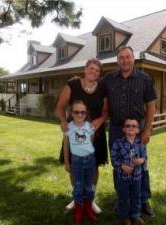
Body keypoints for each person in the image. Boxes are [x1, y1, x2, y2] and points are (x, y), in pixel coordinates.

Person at [102, 46, 157, 217]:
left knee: (141, 164)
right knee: (119, 165)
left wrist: (147, 130)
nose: (125, 60)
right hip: (117, 130)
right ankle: (122, 199)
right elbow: (91, 85)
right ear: (117, 60)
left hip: (137, 130)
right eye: (121, 57)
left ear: (133, 58)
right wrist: (76, 80)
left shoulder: (144, 78)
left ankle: (143, 200)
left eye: (128, 57)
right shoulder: (108, 79)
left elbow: (151, 105)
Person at [56, 58, 108, 213]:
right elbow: (60, 107)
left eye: (97, 70)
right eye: (91, 68)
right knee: (74, 166)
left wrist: (100, 119)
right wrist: (63, 121)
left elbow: (106, 111)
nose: (94, 72)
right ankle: (77, 198)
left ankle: (90, 199)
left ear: (99, 74)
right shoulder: (72, 85)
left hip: (95, 133)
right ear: (85, 69)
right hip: (75, 133)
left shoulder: (102, 88)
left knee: (94, 167)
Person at [63, 100, 97, 225]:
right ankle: (78, 210)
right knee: (78, 187)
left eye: (82, 112)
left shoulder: (89, 126)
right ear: (71, 113)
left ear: (86, 113)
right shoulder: (68, 127)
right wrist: (67, 163)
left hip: (90, 160)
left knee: (89, 186)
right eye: (76, 112)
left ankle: (88, 208)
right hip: (76, 161)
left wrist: (88, 154)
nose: (80, 115)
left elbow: (91, 141)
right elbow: (66, 147)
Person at [111, 117, 146, 225]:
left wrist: (141, 160)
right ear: (124, 129)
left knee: (136, 196)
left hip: (137, 177)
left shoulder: (140, 143)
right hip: (122, 178)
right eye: (128, 126)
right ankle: (124, 217)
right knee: (123, 197)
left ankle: (135, 215)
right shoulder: (118, 143)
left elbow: (145, 157)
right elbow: (113, 159)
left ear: (138, 130)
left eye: (134, 126)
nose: (131, 128)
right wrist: (122, 166)